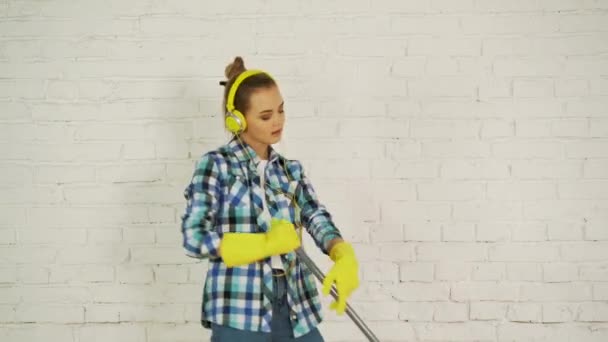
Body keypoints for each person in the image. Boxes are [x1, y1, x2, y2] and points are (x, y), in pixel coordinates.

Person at [180, 56, 360, 341]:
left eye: (281, 110)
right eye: (265, 116)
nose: (277, 121)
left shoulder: (291, 170)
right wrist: (263, 243)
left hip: (294, 301)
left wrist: (340, 251)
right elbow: (194, 237)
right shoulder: (217, 165)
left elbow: (315, 216)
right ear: (237, 120)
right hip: (238, 305)